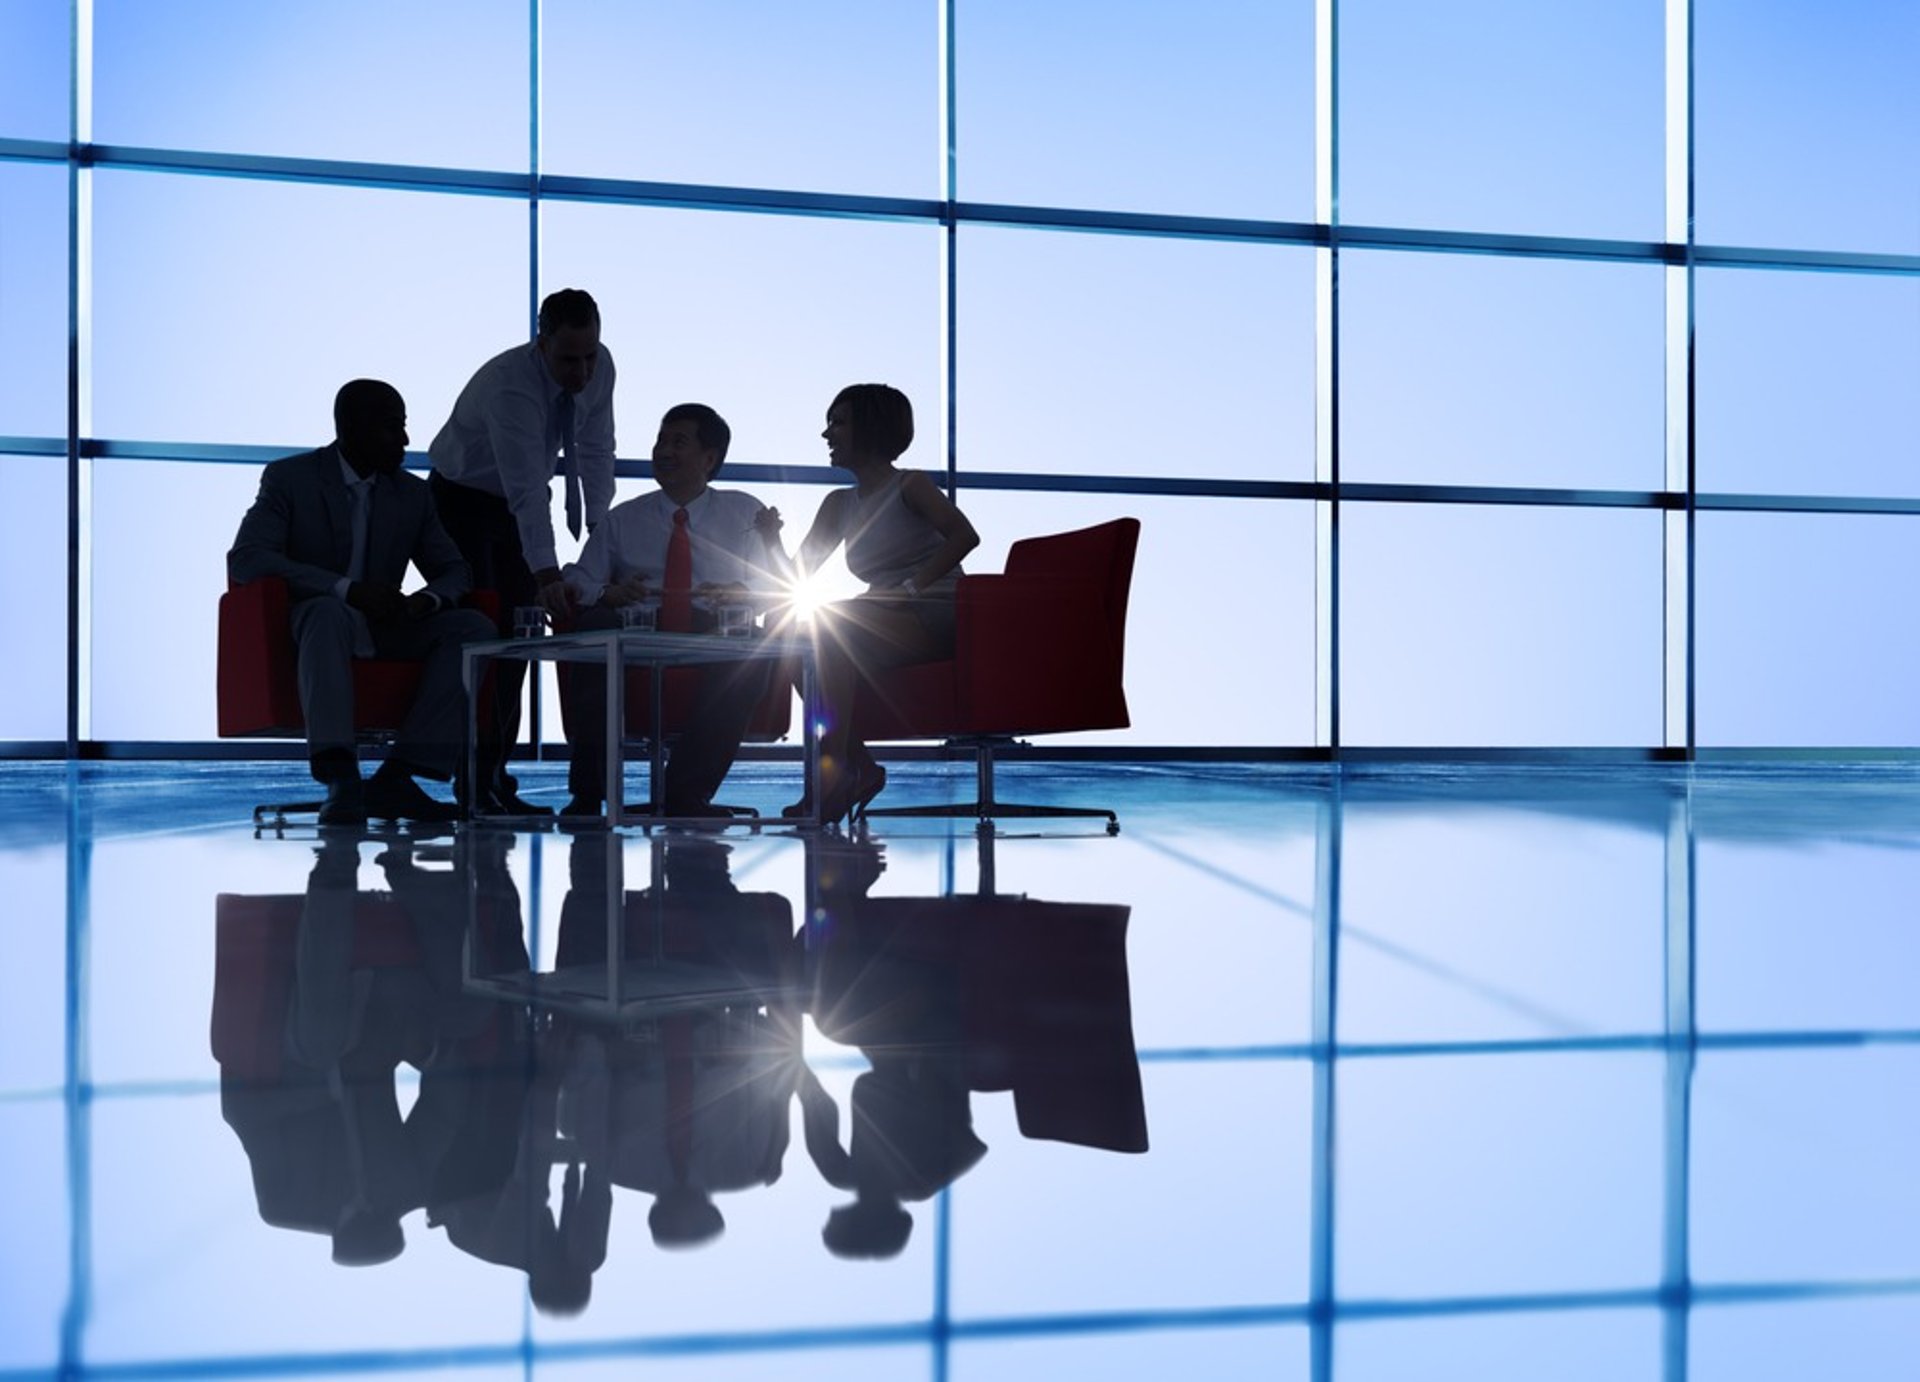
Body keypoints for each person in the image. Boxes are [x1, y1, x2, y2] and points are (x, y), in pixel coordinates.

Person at [228, 379, 493, 826]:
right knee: (328, 612)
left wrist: (425, 602)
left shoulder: (412, 493)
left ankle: (400, 776)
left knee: (474, 629)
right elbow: (247, 558)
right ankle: (340, 776)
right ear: (351, 427)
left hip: (389, 625)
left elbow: (454, 570)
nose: (406, 441)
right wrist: (346, 589)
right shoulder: (290, 479)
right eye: (393, 428)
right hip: (319, 626)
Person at [428, 287, 617, 815]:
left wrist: (602, 536)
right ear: (540, 345)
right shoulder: (511, 386)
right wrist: (548, 571)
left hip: (511, 510)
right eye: (567, 359)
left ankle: (491, 774)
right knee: (488, 638)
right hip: (460, 503)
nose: (581, 373)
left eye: (589, 356)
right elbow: (528, 488)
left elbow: (599, 448)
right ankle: (471, 779)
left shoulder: (601, 368)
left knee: (519, 639)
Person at [556, 403, 785, 820]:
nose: (663, 450)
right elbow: (579, 578)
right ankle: (588, 795)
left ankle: (686, 794)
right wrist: (610, 592)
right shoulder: (624, 518)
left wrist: (740, 591)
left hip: (713, 625)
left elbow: (776, 585)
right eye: (660, 440)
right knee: (595, 629)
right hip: (637, 623)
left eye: (678, 441)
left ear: (710, 458)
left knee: (751, 645)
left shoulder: (744, 511)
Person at [784, 384, 978, 823]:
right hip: (881, 615)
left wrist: (910, 588)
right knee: (795, 642)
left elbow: (965, 536)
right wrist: (766, 541)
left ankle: (833, 777)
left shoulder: (910, 485)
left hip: (935, 609)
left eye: (838, 422)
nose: (826, 433)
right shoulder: (838, 504)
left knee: (828, 629)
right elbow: (797, 573)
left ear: (869, 429)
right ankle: (857, 768)